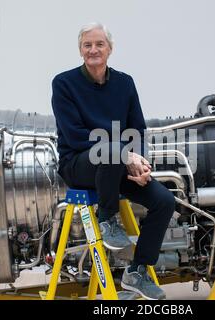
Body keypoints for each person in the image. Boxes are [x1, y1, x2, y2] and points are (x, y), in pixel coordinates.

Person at [51, 22, 175, 300]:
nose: (93, 50)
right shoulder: (63, 83)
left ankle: (137, 272)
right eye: (87, 45)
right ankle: (106, 218)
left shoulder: (125, 83)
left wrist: (139, 163)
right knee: (112, 149)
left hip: (118, 162)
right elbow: (75, 136)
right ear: (80, 50)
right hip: (79, 163)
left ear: (110, 49)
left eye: (99, 44)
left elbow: (137, 129)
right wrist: (123, 153)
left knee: (164, 201)